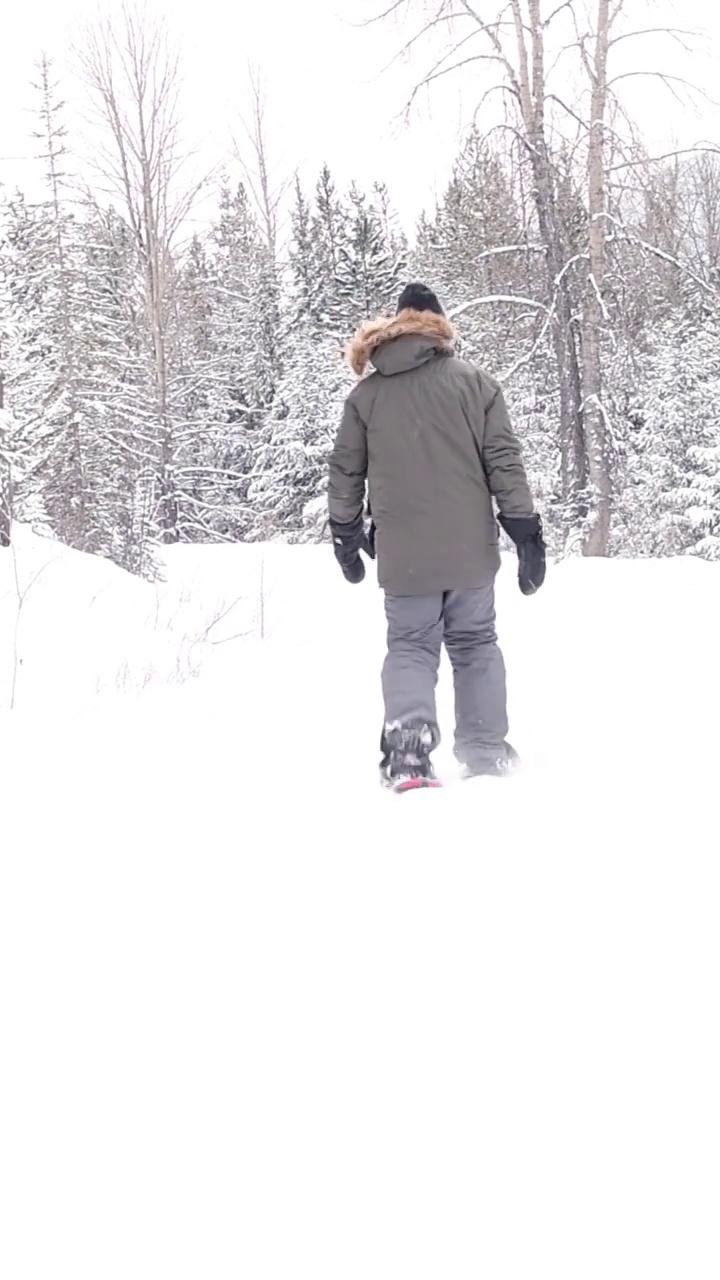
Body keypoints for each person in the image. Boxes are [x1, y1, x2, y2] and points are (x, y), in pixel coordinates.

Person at [327, 282, 546, 789]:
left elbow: (345, 471)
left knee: (410, 646)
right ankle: (486, 750)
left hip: (404, 556)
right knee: (474, 644)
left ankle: (408, 753)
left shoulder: (367, 396)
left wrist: (344, 529)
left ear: (394, 328)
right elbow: (504, 463)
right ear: (440, 329)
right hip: (471, 549)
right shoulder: (476, 384)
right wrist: (525, 530)